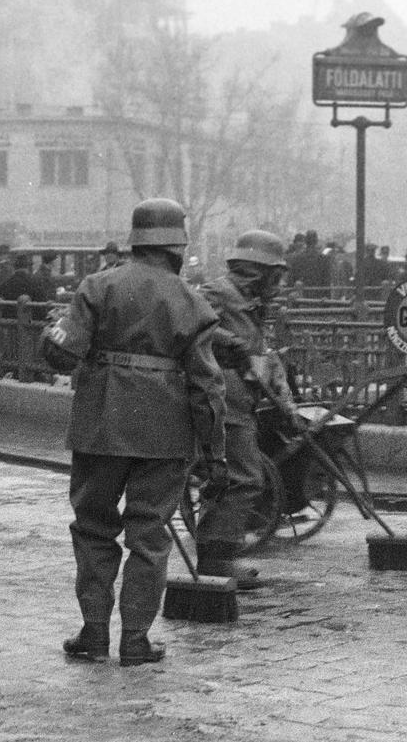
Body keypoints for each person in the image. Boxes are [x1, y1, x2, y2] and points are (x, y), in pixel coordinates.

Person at [40, 197, 227, 667]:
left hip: (101, 424)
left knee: (92, 527)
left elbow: (63, 354)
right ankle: (136, 640)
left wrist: (49, 335)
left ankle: (94, 632)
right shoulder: (193, 302)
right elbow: (207, 387)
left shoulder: (98, 286)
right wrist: (214, 450)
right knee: (149, 535)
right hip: (165, 431)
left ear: (135, 241)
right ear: (177, 247)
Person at [195, 230, 299, 590]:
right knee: (244, 477)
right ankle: (216, 559)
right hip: (222, 397)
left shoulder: (250, 302)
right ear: (257, 271)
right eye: (275, 276)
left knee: (237, 476)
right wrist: (231, 342)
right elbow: (191, 324)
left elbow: (259, 352)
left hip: (239, 397)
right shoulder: (218, 292)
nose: (278, 285)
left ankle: (217, 556)